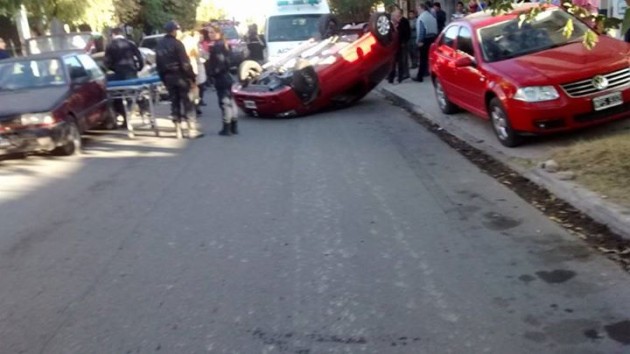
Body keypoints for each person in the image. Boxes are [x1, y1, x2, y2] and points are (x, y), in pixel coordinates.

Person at [156, 20, 203, 139]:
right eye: (176, 30)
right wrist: (192, 78)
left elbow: (158, 64)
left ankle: (178, 130)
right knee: (187, 103)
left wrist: (163, 79)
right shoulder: (177, 44)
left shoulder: (159, 45)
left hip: (168, 77)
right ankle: (191, 130)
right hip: (180, 77)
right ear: (173, 31)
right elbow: (185, 64)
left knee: (174, 103)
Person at [104, 27, 145, 128]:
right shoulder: (130, 43)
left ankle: (125, 117)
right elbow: (139, 57)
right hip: (131, 72)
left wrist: (113, 69)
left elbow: (106, 63)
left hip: (119, 74)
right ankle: (143, 111)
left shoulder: (110, 46)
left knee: (118, 96)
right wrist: (139, 68)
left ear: (113, 34)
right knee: (135, 93)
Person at [207, 24, 238, 136]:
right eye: (209, 32)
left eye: (212, 32)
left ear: (219, 33)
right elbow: (231, 60)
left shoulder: (217, 46)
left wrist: (212, 72)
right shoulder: (225, 44)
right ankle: (234, 126)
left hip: (221, 77)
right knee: (231, 101)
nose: (210, 34)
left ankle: (227, 128)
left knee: (225, 102)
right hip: (227, 76)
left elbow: (219, 64)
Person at [414, 2, 438, 82]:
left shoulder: (421, 18)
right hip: (433, 38)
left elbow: (421, 30)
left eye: (417, 8)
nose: (417, 10)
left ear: (421, 8)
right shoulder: (431, 16)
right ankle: (430, 73)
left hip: (425, 39)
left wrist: (419, 41)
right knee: (430, 58)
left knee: (423, 59)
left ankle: (420, 76)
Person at [388, 5, 411, 84]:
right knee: (393, 63)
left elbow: (407, 32)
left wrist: (404, 42)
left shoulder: (404, 21)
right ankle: (391, 77)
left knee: (401, 61)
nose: (394, 17)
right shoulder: (391, 24)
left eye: (396, 15)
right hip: (393, 46)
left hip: (401, 44)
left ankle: (401, 77)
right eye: (394, 16)